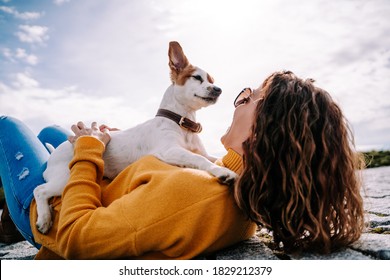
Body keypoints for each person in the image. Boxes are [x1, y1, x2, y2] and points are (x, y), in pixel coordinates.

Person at [0, 70, 364, 259]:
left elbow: (77, 238)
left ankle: (14, 215)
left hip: (58, 213)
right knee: (54, 130)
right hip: (100, 184)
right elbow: (183, 160)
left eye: (250, 97)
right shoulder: (231, 178)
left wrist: (88, 155)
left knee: (9, 126)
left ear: (268, 125)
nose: (238, 100)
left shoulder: (195, 195)